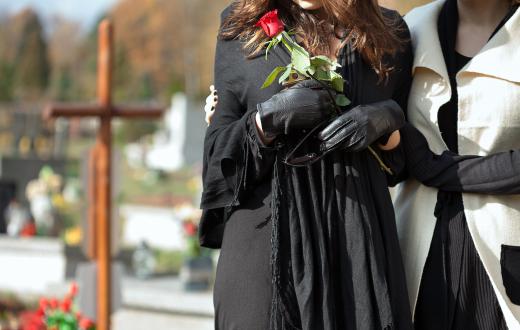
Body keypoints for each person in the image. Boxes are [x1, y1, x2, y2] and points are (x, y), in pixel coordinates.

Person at [201, 0, 520, 329]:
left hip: (357, 253)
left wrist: (386, 124)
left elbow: (398, 167)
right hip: (264, 251)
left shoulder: (391, 32)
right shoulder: (242, 25)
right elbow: (216, 160)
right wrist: (263, 122)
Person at [394, 0, 520, 329]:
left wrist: (436, 169)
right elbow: (394, 151)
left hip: (505, 253)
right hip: (418, 250)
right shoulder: (410, 28)